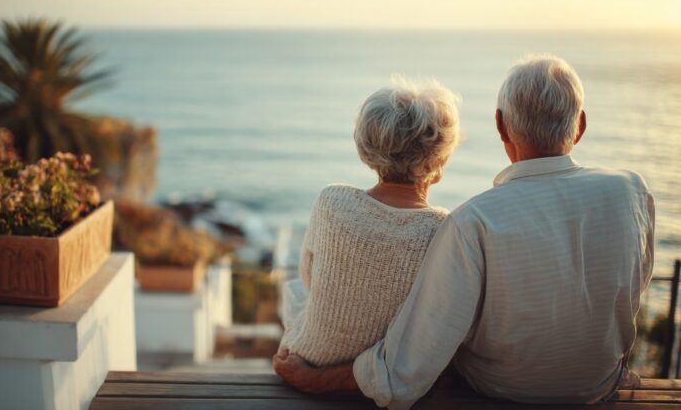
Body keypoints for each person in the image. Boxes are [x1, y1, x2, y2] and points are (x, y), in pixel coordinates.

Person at [273, 55, 655, 410]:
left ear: (501, 125)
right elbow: (632, 289)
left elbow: (408, 367)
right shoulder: (632, 191)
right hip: (598, 385)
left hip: (502, 391)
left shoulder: (475, 221)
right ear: (582, 125)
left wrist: (317, 379)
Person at [278, 77, 460, 367]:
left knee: (294, 291)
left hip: (313, 358)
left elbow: (310, 276)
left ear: (367, 147)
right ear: (439, 162)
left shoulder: (331, 202)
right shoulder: (445, 228)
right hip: (390, 368)